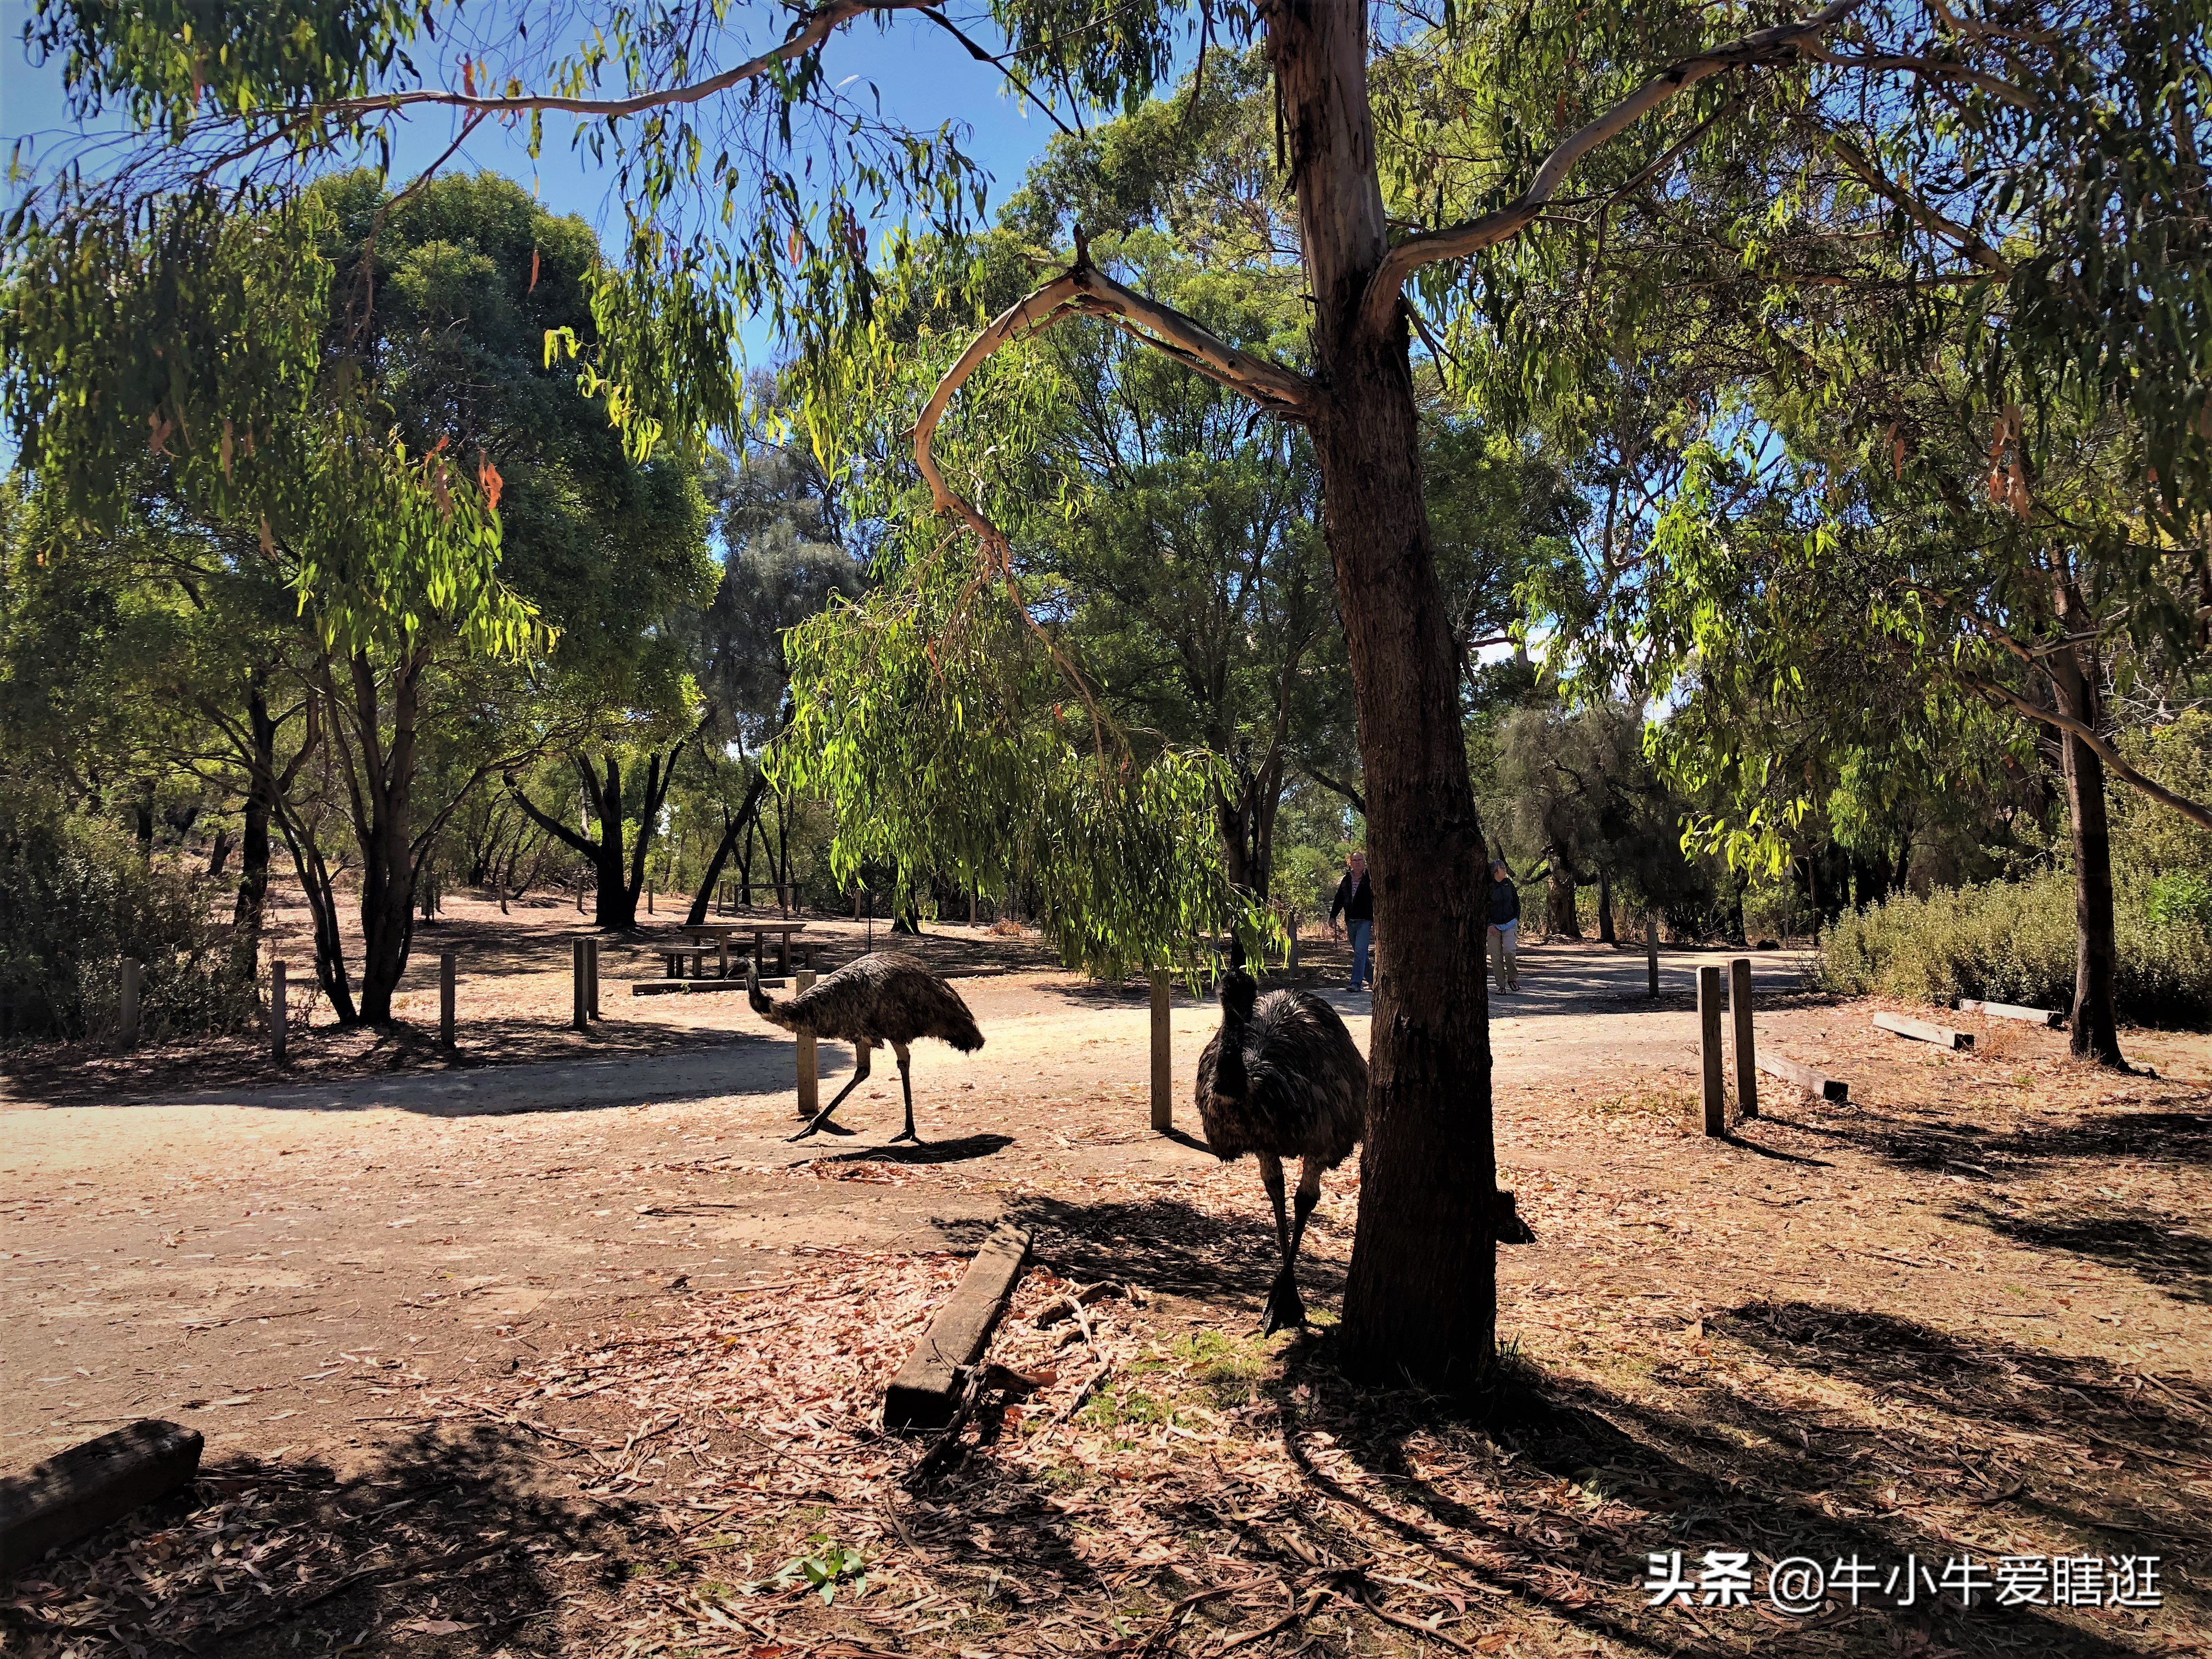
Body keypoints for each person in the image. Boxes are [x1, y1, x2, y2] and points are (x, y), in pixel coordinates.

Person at [1329, 849, 1374, 993]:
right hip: (1351, 921)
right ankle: (1374, 980)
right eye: (1355, 860)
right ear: (1351, 863)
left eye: (1360, 860)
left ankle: (1356, 983)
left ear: (1364, 862)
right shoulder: (1347, 879)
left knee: (1360, 953)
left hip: (1365, 921)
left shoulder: (1370, 879)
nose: (1358, 863)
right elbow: (1339, 899)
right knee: (1360, 954)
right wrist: (1333, 916)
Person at [1487, 859, 1521, 993]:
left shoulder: (1508, 884)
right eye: (1503, 868)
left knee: (1509, 951)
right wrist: (1489, 924)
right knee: (1496, 957)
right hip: (1493, 926)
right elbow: (1484, 907)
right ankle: (1501, 986)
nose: (1505, 870)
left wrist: (1516, 917)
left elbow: (1516, 902)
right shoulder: (1489, 887)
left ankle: (1512, 979)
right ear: (1496, 872)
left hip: (1510, 923)